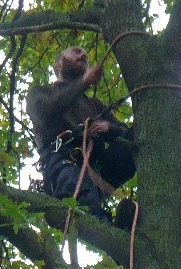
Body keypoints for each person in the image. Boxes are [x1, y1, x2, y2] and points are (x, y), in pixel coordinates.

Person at [26, 46, 136, 220]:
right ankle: (110, 227)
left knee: (136, 137)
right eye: (76, 51)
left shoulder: (93, 105)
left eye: (85, 54)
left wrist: (109, 127)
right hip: (63, 162)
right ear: (59, 63)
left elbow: (127, 133)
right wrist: (83, 82)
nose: (83, 55)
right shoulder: (40, 93)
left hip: (100, 168)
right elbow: (43, 112)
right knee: (83, 199)